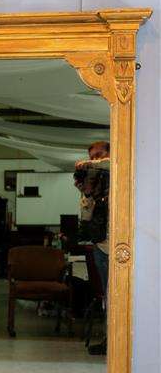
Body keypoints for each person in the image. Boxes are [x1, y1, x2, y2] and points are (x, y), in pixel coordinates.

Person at [74, 141, 110, 355]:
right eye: (92, 156)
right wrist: (87, 194)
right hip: (101, 246)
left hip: (119, 245)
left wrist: (87, 163)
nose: (96, 159)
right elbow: (86, 218)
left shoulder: (117, 171)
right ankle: (108, 340)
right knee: (107, 297)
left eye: (100, 154)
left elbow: (110, 164)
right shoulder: (95, 184)